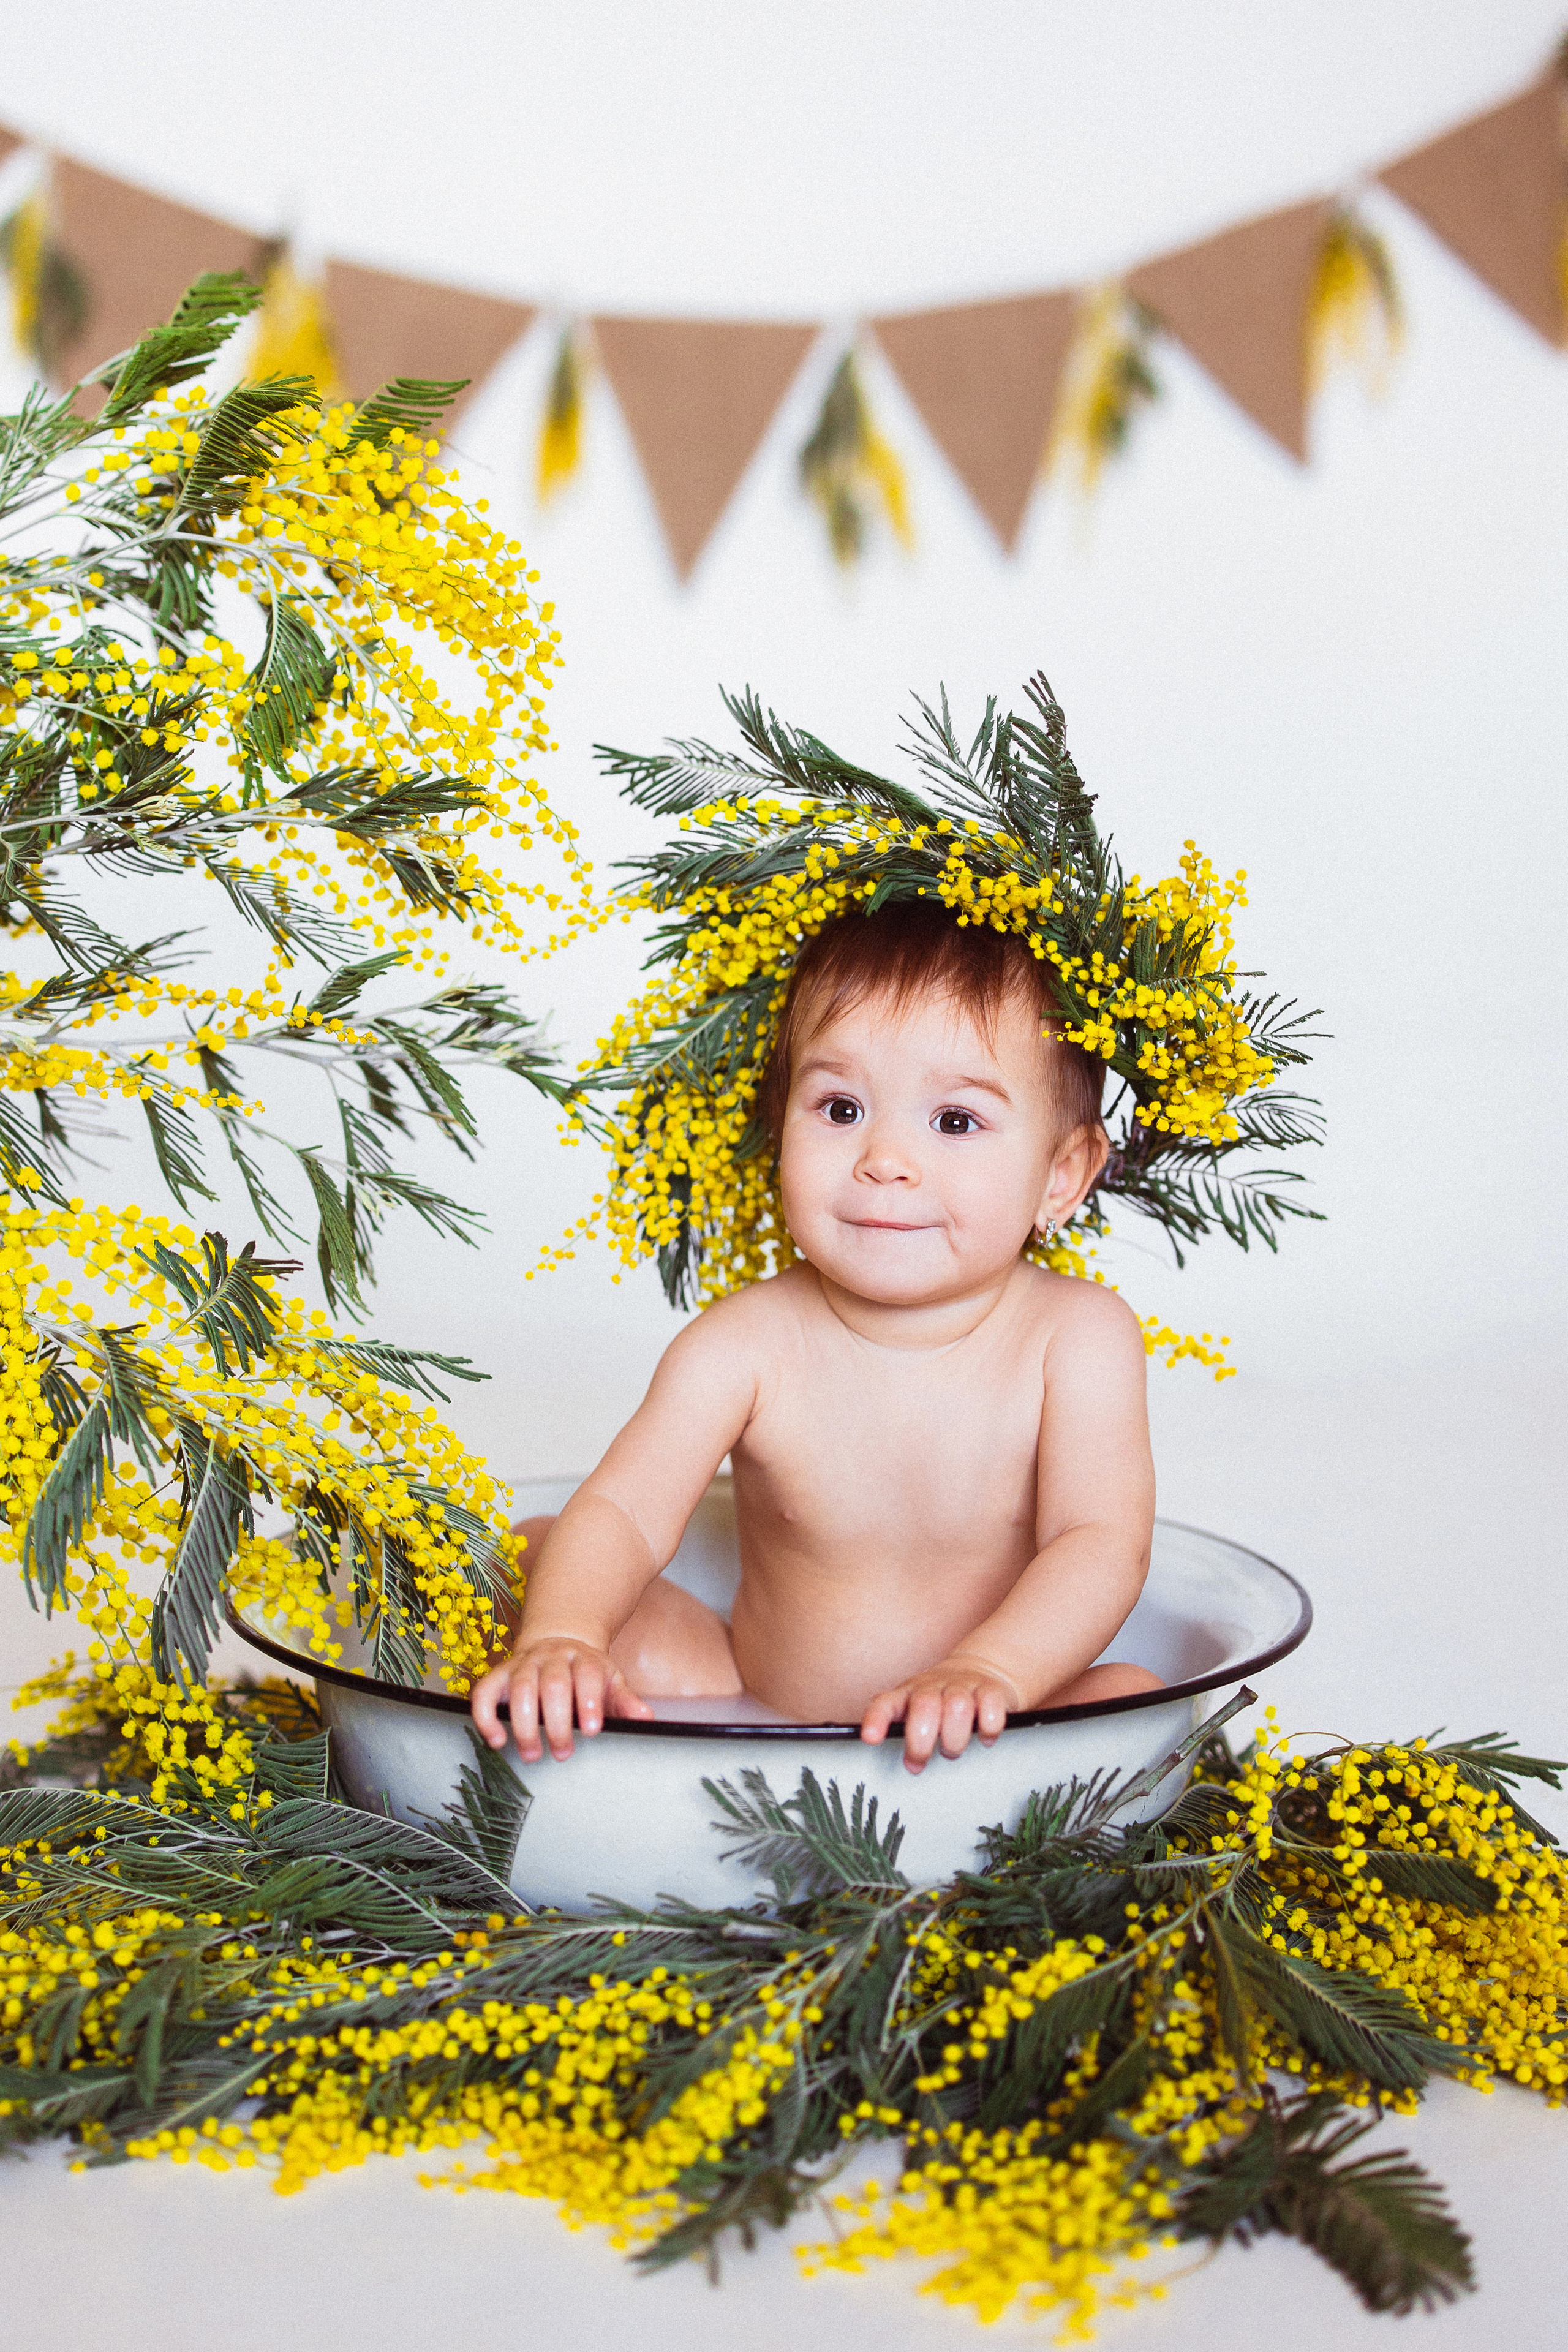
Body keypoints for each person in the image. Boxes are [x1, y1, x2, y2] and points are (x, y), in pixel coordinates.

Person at [470, 899, 1160, 1775]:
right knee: (533, 1551)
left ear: (1062, 1176)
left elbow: (1098, 1542)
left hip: (988, 1728)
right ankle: (581, 1705)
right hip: (748, 1704)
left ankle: (981, 1797)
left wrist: (991, 1672)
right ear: (779, 1126)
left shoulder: (1077, 1338)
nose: (884, 1159)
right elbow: (623, 1512)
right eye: (839, 1109)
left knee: (1129, 1694)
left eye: (955, 1122)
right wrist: (567, 1635)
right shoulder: (745, 1345)